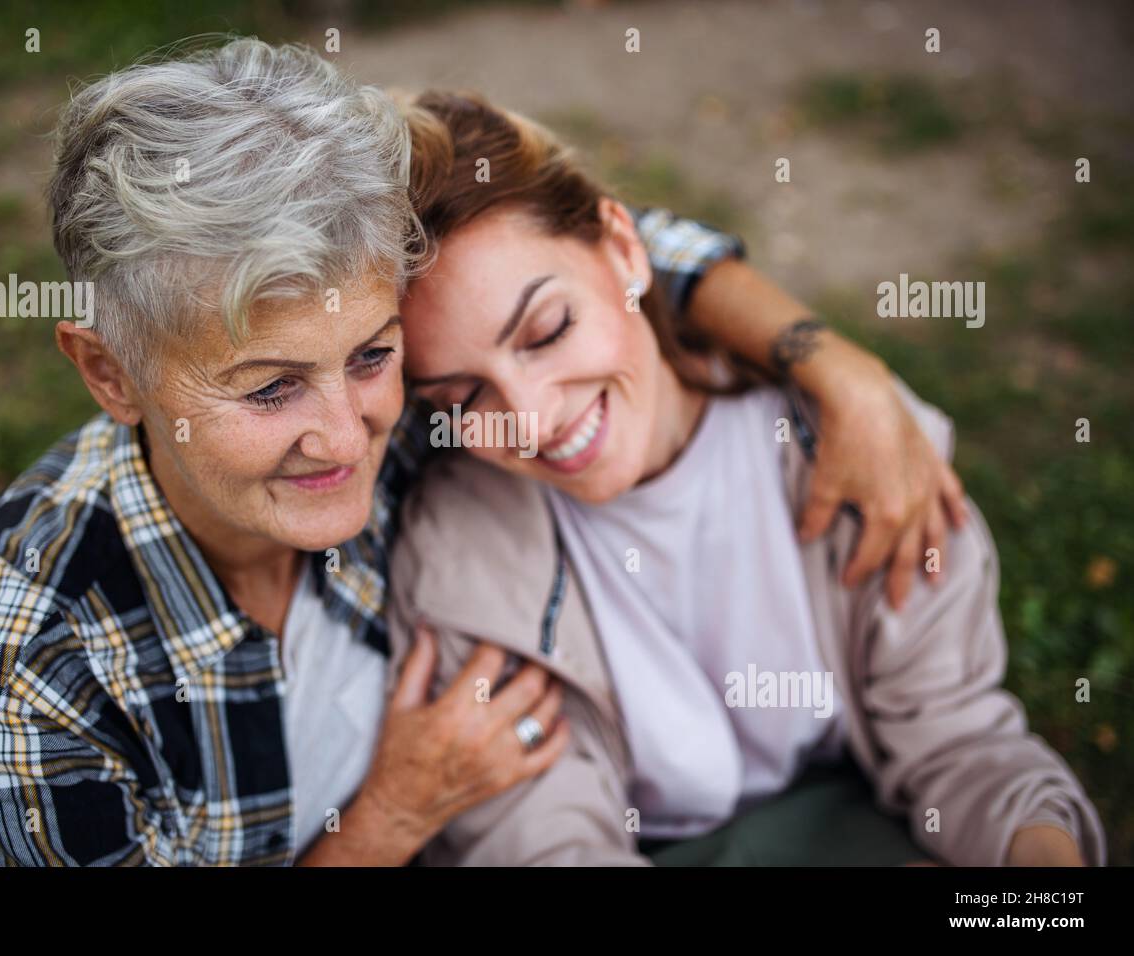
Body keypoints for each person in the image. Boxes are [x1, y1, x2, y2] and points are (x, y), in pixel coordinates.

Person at [0, 38, 964, 866]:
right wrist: (385, 820)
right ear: (110, 373)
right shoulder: (17, 665)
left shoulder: (436, 403)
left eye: (373, 355)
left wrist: (832, 366)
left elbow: (567, 245)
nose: (346, 434)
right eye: (269, 386)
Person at [387, 90, 1106, 866]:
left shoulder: (852, 448)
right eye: (461, 396)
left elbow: (960, 743)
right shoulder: (459, 557)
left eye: (548, 330)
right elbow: (545, 843)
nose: (528, 420)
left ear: (626, 251)